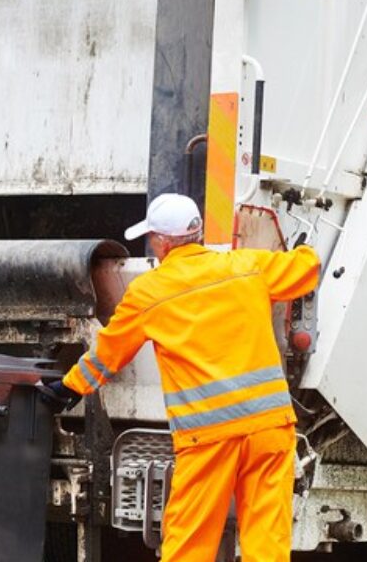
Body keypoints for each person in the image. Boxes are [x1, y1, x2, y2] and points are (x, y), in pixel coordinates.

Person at [41, 193, 320, 562]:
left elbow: (108, 354)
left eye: (152, 237)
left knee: (189, 545)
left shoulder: (149, 293)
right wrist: (305, 250)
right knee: (267, 545)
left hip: (209, 439)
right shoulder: (247, 266)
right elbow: (306, 270)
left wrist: (69, 387)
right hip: (269, 429)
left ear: (164, 242)